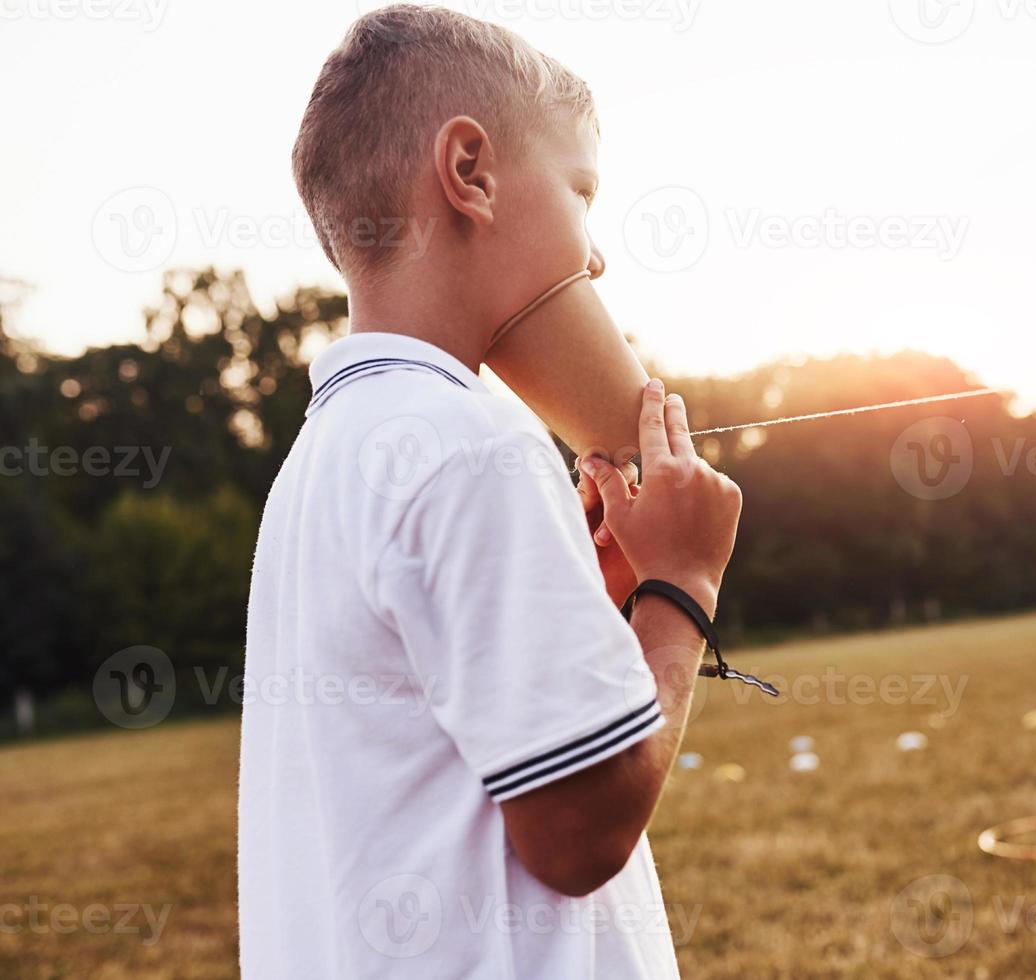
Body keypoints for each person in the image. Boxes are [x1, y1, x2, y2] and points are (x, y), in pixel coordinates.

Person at [237, 7, 741, 977]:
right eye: (581, 191)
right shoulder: (476, 446)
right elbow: (579, 833)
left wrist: (591, 603)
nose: (594, 254)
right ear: (469, 171)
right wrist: (678, 589)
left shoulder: (333, 448)